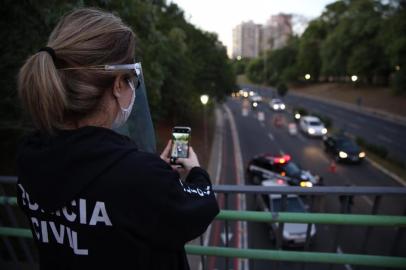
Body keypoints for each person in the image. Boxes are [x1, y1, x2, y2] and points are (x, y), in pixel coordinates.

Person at [16, 8, 219, 270]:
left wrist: (153, 175)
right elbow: (199, 208)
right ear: (117, 84)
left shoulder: (30, 156)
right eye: (132, 79)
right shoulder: (138, 176)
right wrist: (195, 171)